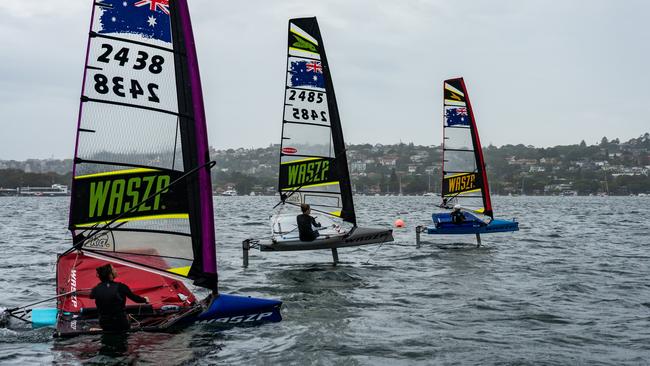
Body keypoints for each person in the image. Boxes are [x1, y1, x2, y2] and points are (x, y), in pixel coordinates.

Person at [90, 264, 149, 332]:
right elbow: (136, 299)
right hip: (121, 324)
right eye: (113, 269)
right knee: (125, 318)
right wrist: (145, 299)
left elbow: (91, 296)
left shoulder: (96, 289)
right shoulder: (121, 287)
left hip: (104, 324)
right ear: (110, 275)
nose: (116, 270)